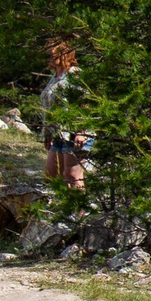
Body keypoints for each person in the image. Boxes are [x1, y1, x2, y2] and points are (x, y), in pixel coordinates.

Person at [40, 39, 90, 189]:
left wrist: (81, 132)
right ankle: (64, 206)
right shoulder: (55, 76)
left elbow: (85, 103)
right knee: (52, 173)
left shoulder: (74, 75)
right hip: (58, 133)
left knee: (73, 176)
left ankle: (79, 211)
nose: (49, 56)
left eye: (52, 53)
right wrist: (47, 133)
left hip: (74, 133)